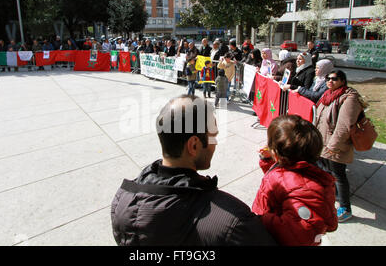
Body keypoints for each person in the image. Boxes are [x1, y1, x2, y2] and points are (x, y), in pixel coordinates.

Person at [111, 95, 277, 246]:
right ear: (194, 145)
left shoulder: (121, 201)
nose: (216, 143)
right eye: (213, 136)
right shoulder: (232, 221)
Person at [252, 115, 338, 246]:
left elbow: (300, 235)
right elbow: (283, 180)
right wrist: (268, 161)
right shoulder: (298, 171)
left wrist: (259, 219)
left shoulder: (305, 191)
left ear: (277, 153)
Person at [314, 70, 367, 223]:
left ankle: (345, 208)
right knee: (326, 171)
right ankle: (333, 194)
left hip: (335, 145)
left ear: (343, 81)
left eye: (334, 79)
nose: (330, 81)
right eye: (328, 78)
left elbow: (344, 126)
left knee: (338, 175)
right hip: (323, 142)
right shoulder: (328, 95)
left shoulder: (349, 98)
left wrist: (333, 146)